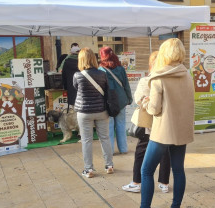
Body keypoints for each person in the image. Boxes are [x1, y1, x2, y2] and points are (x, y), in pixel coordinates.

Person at [123, 38, 195, 208]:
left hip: (163, 131)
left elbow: (154, 109)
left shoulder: (158, 76)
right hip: (181, 130)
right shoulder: (187, 75)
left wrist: (144, 101)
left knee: (146, 170)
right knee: (178, 170)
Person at [122, 51, 171, 194]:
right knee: (165, 151)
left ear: (151, 65)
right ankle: (164, 183)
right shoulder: (169, 80)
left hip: (148, 122)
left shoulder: (146, 80)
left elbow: (139, 99)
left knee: (141, 151)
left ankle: (137, 182)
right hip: (165, 122)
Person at [73, 47, 114, 178]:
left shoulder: (77, 75)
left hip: (84, 112)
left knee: (86, 140)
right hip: (101, 110)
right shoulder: (103, 74)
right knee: (105, 138)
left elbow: (76, 88)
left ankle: (88, 169)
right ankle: (109, 165)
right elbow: (107, 89)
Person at [99, 47, 133, 155]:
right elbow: (126, 85)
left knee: (109, 126)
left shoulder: (100, 70)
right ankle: (123, 149)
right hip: (121, 100)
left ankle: (110, 150)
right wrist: (129, 98)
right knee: (121, 124)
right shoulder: (120, 69)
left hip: (107, 102)